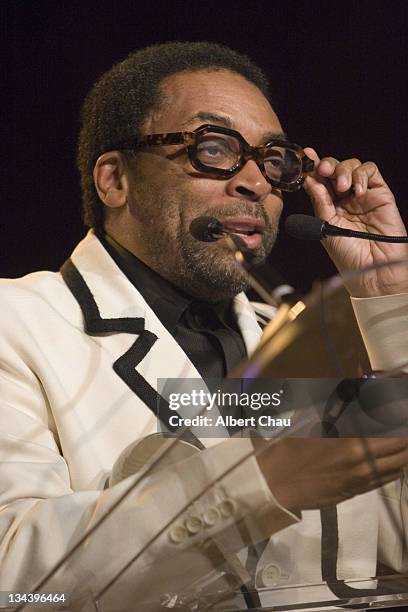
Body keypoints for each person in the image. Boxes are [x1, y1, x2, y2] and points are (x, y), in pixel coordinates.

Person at [1, 41, 407, 610]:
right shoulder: (15, 323)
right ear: (114, 179)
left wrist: (388, 294)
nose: (256, 182)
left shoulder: (320, 344)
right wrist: (257, 484)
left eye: (272, 160)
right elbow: (13, 582)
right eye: (213, 148)